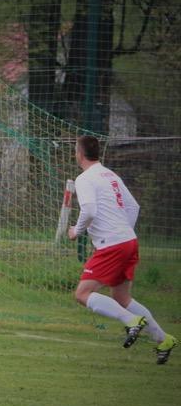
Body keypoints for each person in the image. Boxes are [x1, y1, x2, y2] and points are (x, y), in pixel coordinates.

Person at [68, 135, 176, 364]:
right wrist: (122, 231)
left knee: (82, 294)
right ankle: (164, 339)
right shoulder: (110, 175)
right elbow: (133, 207)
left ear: (80, 154)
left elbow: (89, 210)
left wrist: (76, 231)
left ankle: (131, 321)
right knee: (121, 297)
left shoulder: (84, 178)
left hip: (113, 244)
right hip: (129, 241)